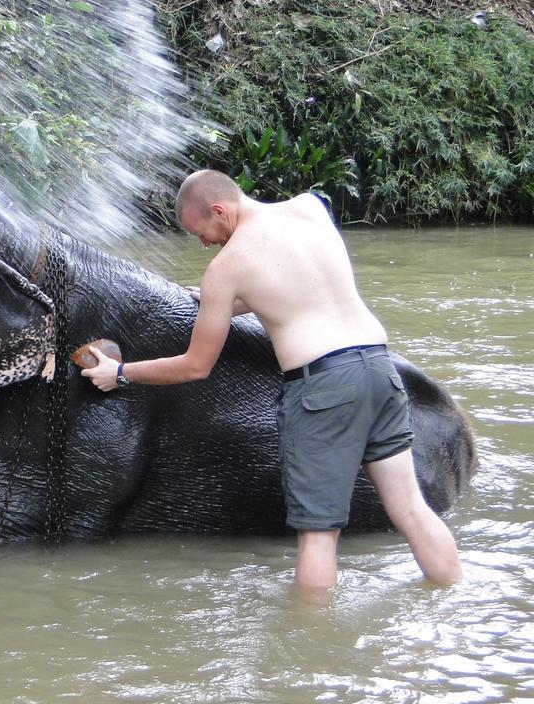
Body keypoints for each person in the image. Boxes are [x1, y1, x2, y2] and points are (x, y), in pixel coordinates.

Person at [82, 170, 462, 592]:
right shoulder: (310, 208)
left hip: (325, 389)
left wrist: (119, 373)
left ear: (219, 210)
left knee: (319, 535)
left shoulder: (227, 266)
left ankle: (310, 653)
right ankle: (452, 599)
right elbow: (301, 279)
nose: (204, 243)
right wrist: (232, 302)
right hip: (379, 370)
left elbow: (195, 366)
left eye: (200, 232)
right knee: (410, 509)